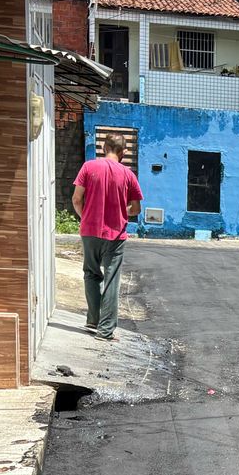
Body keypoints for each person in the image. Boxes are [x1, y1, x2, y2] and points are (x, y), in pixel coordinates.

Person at [72, 134, 142, 341]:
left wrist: (86, 217)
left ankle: (92, 320)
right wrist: (121, 211)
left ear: (103, 147)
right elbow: (135, 209)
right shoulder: (128, 175)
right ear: (124, 152)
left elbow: (77, 199)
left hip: (89, 231)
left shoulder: (88, 167)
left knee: (91, 274)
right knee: (112, 279)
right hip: (116, 234)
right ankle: (105, 331)